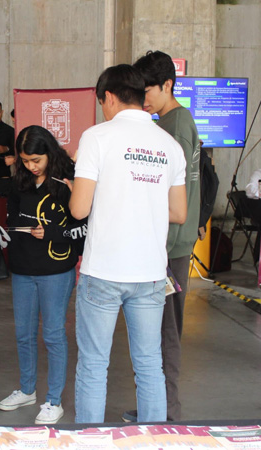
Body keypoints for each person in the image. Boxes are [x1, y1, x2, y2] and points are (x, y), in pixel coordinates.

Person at [69, 64, 188, 423]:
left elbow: (79, 209)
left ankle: (90, 442)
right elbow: (179, 212)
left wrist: (77, 183)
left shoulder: (97, 137)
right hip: (150, 272)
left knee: (94, 364)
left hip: (104, 271)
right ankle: (153, 439)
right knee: (150, 364)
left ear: (108, 97)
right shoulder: (169, 145)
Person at [128, 50, 201, 422]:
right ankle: (153, 405)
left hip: (169, 249)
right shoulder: (170, 122)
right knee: (154, 329)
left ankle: (167, 413)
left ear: (167, 85)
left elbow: (177, 195)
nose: (143, 99)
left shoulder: (175, 125)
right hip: (166, 245)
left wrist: (164, 250)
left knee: (166, 331)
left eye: (148, 91)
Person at [0, 125, 87, 424]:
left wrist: (52, 233)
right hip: (22, 268)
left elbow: (84, 226)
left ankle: (53, 400)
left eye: (36, 160)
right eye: (25, 160)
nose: (31, 166)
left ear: (50, 152)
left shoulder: (68, 179)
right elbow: (11, 218)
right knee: (24, 334)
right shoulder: (20, 180)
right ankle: (27, 390)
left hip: (55, 270)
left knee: (53, 335)